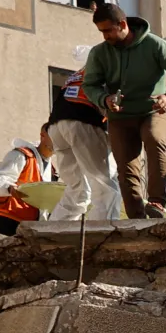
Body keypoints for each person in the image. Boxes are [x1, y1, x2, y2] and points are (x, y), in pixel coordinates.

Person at [81, 2, 166, 219]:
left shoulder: (154, 45)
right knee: (126, 166)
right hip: (121, 116)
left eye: (108, 30)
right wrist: (105, 99)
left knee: (153, 137)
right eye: (101, 32)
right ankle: (136, 219)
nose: (105, 36)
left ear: (123, 25)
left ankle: (157, 203)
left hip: (155, 111)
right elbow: (89, 85)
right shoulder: (99, 53)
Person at [46, 65, 119, 221]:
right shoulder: (114, 68)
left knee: (77, 190)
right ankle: (104, 233)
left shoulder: (81, 72)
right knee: (105, 185)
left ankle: (56, 233)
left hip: (57, 125)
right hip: (82, 121)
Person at [0, 124, 57, 235]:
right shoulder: (22, 156)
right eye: (56, 136)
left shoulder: (51, 169)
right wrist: (9, 189)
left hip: (32, 227)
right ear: (43, 136)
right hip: (11, 220)